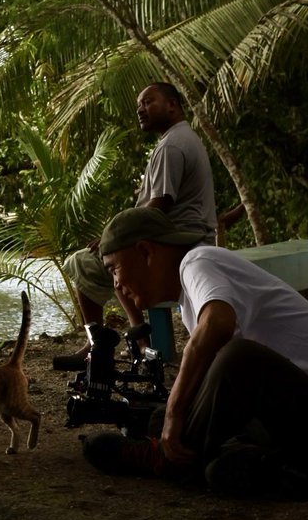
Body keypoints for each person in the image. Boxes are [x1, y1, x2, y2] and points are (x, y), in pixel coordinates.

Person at [85, 207, 308, 496]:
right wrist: (169, 415)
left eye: (114, 269)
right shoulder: (189, 295)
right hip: (303, 414)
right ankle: (271, 466)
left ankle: (166, 459)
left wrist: (177, 413)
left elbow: (218, 325)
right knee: (168, 427)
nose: (117, 284)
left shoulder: (198, 261)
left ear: (145, 251)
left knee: (236, 358)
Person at [64, 82, 217, 347]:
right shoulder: (181, 138)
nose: (141, 110)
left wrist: (114, 238)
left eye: (148, 102)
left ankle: (102, 345)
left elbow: (160, 205)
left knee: (83, 263)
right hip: (185, 237)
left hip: (177, 243)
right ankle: (139, 336)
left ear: (172, 104)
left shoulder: (172, 146)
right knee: (113, 254)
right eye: (138, 106)